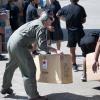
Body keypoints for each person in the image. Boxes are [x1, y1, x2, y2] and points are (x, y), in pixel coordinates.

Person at [1, 11, 57, 100]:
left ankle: (5, 88)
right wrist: (54, 49)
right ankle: (33, 96)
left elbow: (26, 34)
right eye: (51, 19)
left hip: (11, 42)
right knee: (30, 69)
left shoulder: (36, 22)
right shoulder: (41, 27)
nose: (52, 21)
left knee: (11, 66)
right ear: (45, 20)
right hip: (19, 46)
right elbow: (42, 45)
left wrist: (31, 48)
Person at [57, 0, 87, 71]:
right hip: (80, 31)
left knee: (72, 50)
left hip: (71, 33)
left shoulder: (65, 8)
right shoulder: (81, 8)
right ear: (78, 0)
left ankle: (74, 65)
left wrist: (65, 19)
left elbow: (57, 14)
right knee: (84, 50)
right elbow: (84, 20)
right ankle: (86, 65)